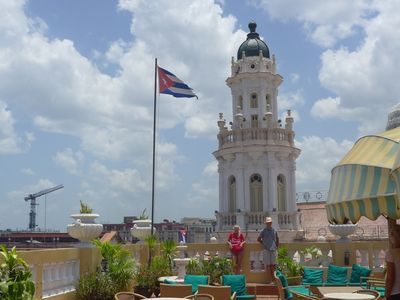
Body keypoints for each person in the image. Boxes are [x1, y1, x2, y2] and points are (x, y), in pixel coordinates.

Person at [257, 217, 279, 284]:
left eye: (270, 222)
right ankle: (270, 280)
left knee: (274, 265)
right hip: (266, 249)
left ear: (271, 223)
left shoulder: (274, 230)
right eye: (267, 223)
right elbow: (258, 239)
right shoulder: (263, 231)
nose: (269, 223)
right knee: (268, 266)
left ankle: (275, 280)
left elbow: (277, 239)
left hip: (273, 249)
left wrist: (276, 247)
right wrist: (263, 243)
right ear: (266, 223)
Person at [385, 225, 400, 299]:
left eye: (391, 234)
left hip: (395, 293)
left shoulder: (391, 253)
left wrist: (386, 295)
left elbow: (390, 278)